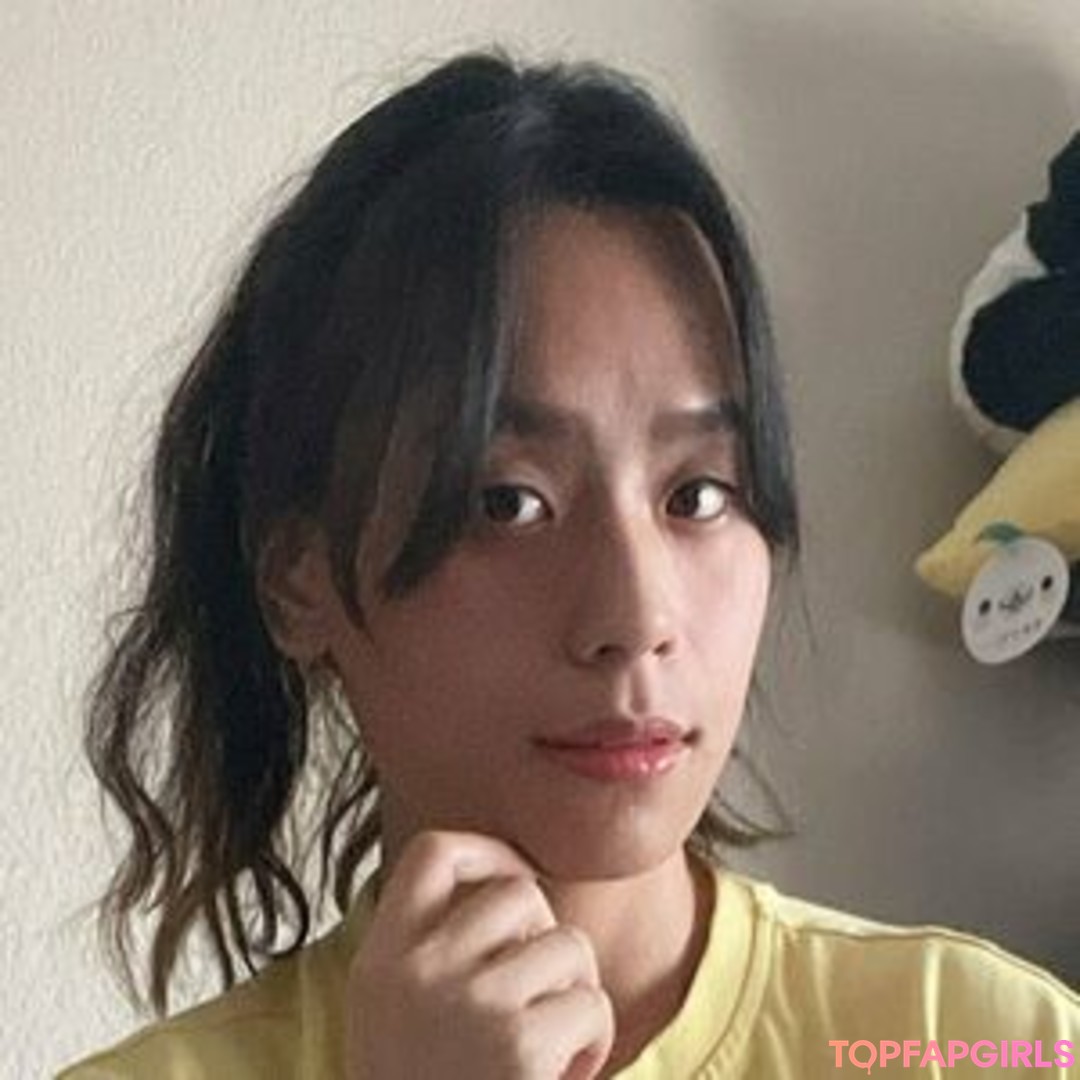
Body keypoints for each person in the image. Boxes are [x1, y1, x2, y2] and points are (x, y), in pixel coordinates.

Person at [58, 51, 1080, 1080]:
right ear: (299, 578)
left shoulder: (989, 1044)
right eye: (507, 502)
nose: (637, 617)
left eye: (699, 495)